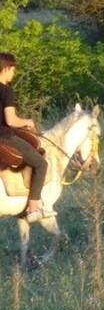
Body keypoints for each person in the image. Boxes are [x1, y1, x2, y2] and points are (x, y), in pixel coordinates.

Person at [0, 53, 53, 222]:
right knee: (41, 163)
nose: (13, 74)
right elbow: (11, 120)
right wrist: (27, 122)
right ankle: (33, 210)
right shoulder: (6, 91)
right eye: (13, 70)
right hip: (4, 137)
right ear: (6, 68)